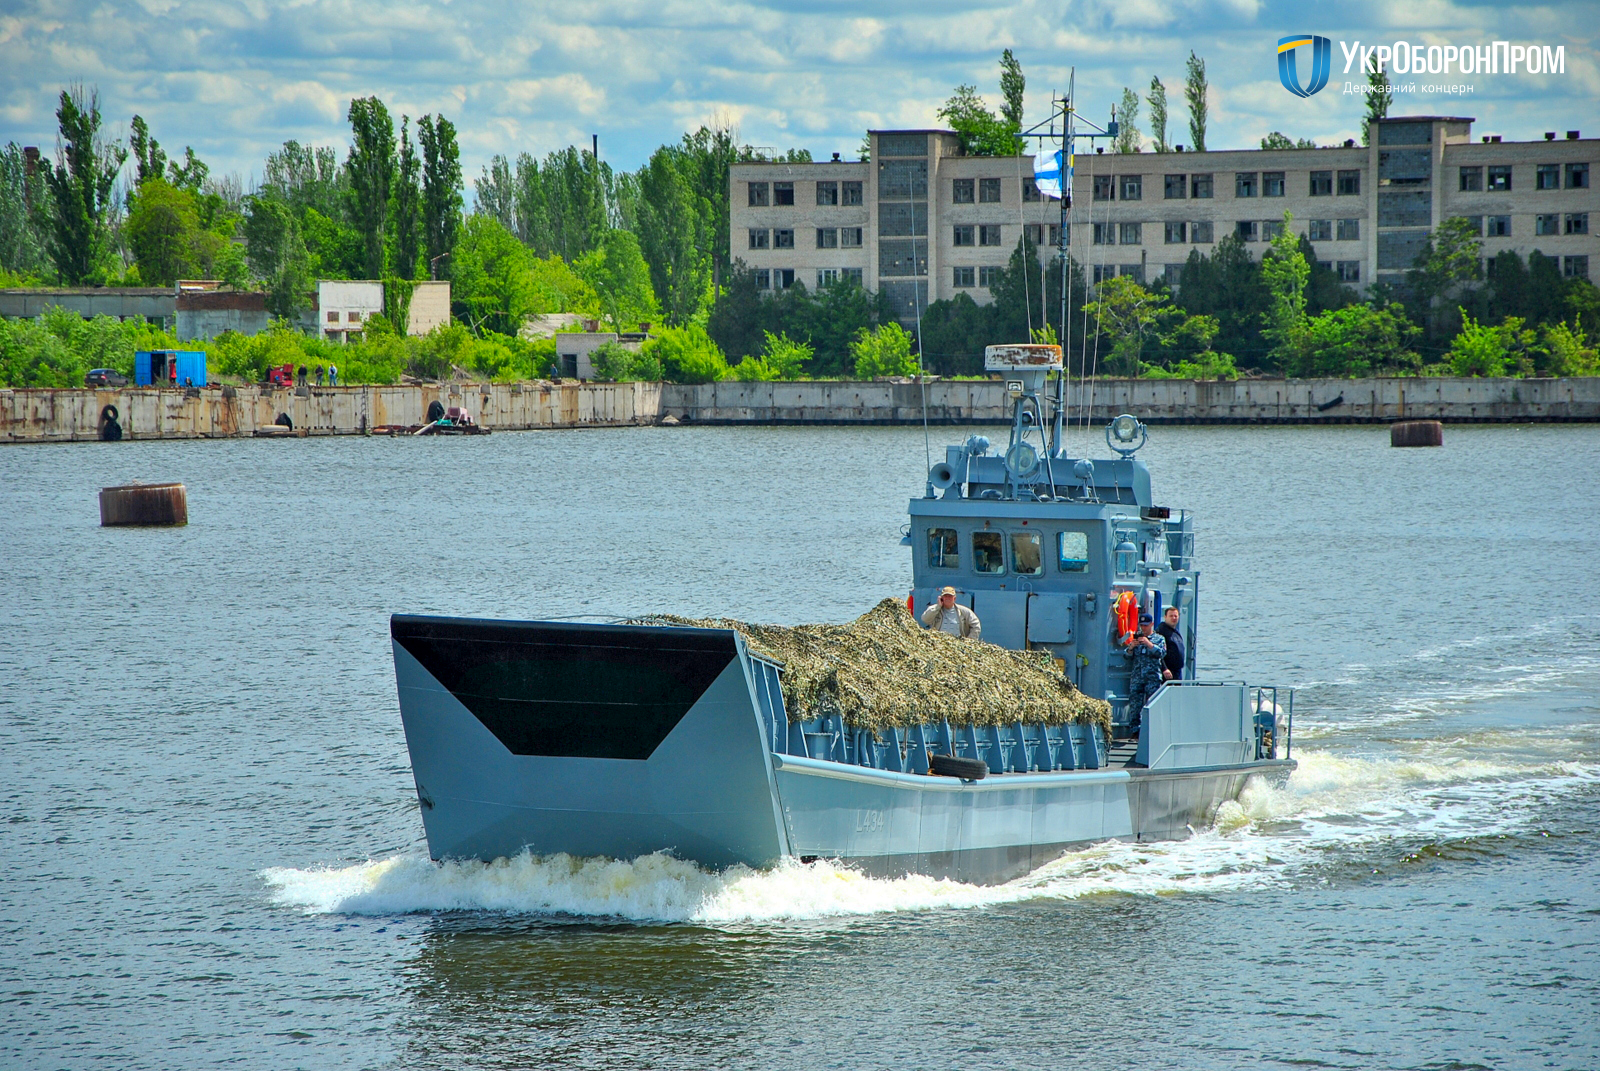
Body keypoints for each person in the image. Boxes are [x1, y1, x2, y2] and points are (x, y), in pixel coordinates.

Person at [1125, 612, 1166, 737]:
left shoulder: (1159, 639)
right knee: (1135, 704)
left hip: (1152, 677)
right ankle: (1135, 730)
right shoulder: (1136, 638)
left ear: (1152, 625)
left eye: (1146, 625)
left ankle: (1152, 731)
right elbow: (1126, 657)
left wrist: (1149, 644)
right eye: (1142, 625)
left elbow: (1162, 653)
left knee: (1152, 704)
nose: (1143, 628)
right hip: (1137, 677)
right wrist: (1131, 647)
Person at [1156, 605, 1185, 681]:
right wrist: (1164, 668)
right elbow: (1157, 653)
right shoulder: (1161, 631)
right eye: (1171, 616)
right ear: (1165, 617)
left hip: (1177, 672)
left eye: (1175, 616)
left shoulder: (1175, 632)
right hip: (1167, 673)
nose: (1173, 618)